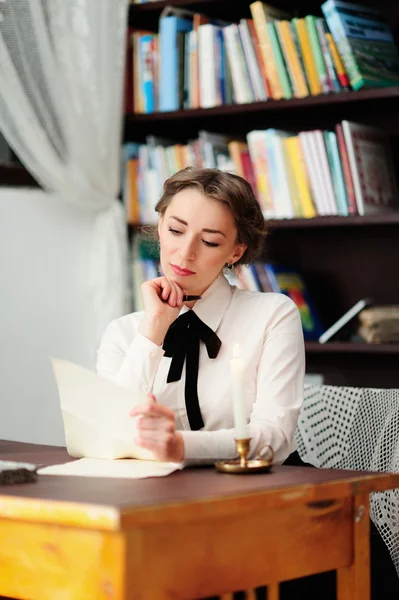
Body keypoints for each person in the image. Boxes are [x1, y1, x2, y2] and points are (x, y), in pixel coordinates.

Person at [96, 166, 305, 466]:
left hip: (260, 488)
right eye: (176, 231)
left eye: (209, 242)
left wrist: (181, 446)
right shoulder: (123, 333)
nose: (185, 253)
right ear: (159, 226)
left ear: (235, 252)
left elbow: (275, 437)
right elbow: (112, 435)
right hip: (159, 496)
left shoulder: (273, 315)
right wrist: (153, 330)